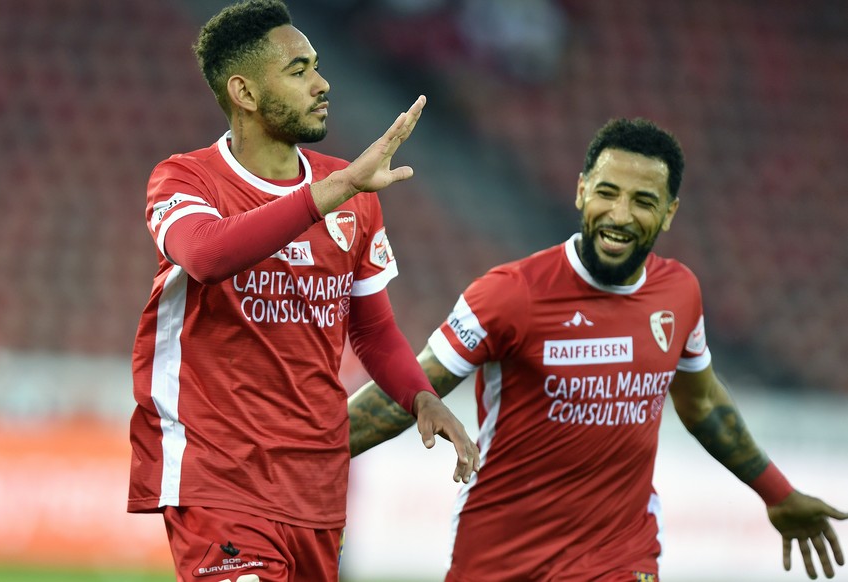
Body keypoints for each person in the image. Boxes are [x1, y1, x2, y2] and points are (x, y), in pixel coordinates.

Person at [348, 117, 847, 581]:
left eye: (644, 201)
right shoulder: (511, 294)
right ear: (582, 191)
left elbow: (703, 403)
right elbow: (410, 390)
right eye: (607, 193)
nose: (621, 215)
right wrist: (290, 454)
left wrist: (776, 492)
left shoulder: (679, 294)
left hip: (621, 555)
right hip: (502, 558)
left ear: (669, 213)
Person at [126, 1, 479, 581]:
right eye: (298, 71)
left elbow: (370, 328)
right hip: (220, 478)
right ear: (243, 92)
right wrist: (333, 191)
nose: (322, 83)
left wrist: (421, 396)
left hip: (315, 486)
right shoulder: (186, 179)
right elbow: (207, 255)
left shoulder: (353, 193)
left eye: (316, 65)